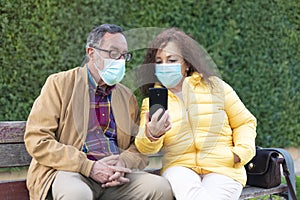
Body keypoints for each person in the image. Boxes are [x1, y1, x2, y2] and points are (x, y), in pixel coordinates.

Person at [24, 24, 173, 200]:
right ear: (91, 53)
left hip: (116, 176)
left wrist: (123, 162)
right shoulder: (59, 84)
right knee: (77, 194)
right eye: (113, 53)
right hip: (71, 171)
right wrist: (89, 167)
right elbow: (37, 139)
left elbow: (137, 147)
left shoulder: (127, 97)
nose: (120, 60)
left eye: (124, 55)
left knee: (160, 188)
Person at [135, 27, 257, 200]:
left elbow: (245, 122)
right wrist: (152, 134)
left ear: (187, 63)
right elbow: (144, 147)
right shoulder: (152, 103)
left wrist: (240, 153)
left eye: (171, 60)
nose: (164, 66)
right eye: (159, 61)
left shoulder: (216, 86)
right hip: (179, 168)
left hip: (223, 166)